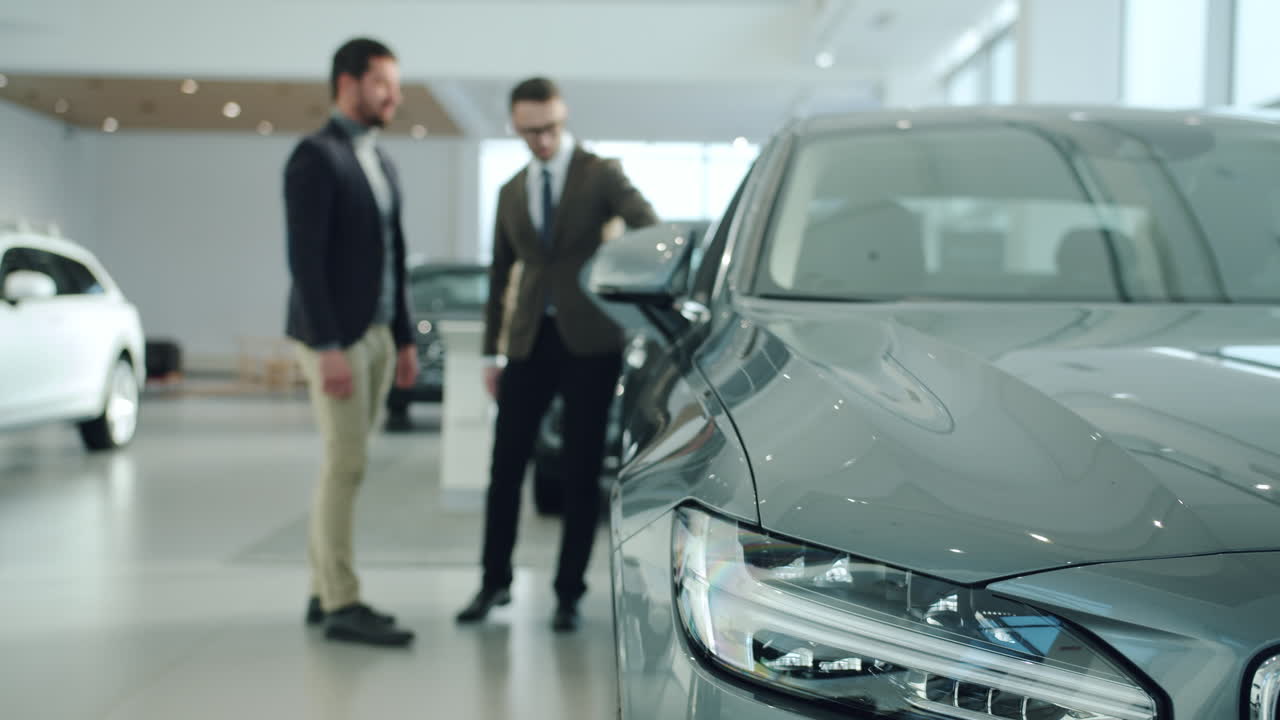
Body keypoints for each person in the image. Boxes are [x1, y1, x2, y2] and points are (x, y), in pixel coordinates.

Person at [456, 77, 658, 632]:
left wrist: (623, 285)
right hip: (527, 343)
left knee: (579, 469)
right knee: (505, 468)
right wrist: (490, 354)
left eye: (548, 129)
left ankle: (568, 591)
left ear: (562, 118)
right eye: (528, 132)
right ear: (515, 127)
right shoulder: (512, 190)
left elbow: (650, 227)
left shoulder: (600, 174)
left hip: (590, 342)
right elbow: (501, 275)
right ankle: (492, 582)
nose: (540, 141)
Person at [284, 37, 418, 647]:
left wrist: (405, 336)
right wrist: (329, 344)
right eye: (383, 83)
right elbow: (304, 262)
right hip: (336, 340)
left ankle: (322, 589)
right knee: (347, 465)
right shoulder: (315, 156)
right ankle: (341, 600)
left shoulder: (380, 160)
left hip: (378, 335)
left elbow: (396, 255)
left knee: (343, 467)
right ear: (348, 82)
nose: (395, 95)